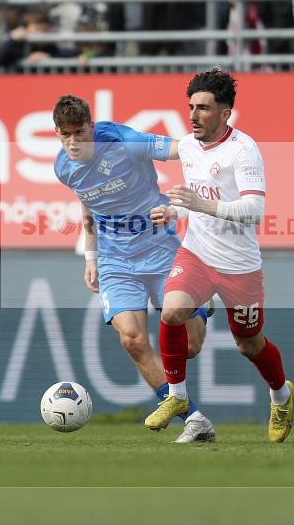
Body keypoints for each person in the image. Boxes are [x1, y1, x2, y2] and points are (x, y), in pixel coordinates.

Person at [52, 94, 216, 444]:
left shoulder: (124, 141)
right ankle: (194, 418)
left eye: (79, 132)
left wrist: (204, 180)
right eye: (64, 134)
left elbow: (182, 149)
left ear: (91, 127)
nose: (72, 142)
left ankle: (201, 296)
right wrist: (91, 258)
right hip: (115, 260)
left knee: (190, 346)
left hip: (158, 247)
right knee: (133, 339)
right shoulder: (63, 167)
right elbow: (87, 207)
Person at [145, 69, 294, 443]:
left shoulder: (244, 151)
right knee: (171, 310)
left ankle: (281, 395)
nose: (193, 116)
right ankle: (177, 398)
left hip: (239, 266)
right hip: (196, 252)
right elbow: (197, 198)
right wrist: (176, 212)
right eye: (191, 107)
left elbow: (255, 210)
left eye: (204, 108)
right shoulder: (190, 146)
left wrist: (201, 205)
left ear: (225, 113)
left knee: (249, 343)